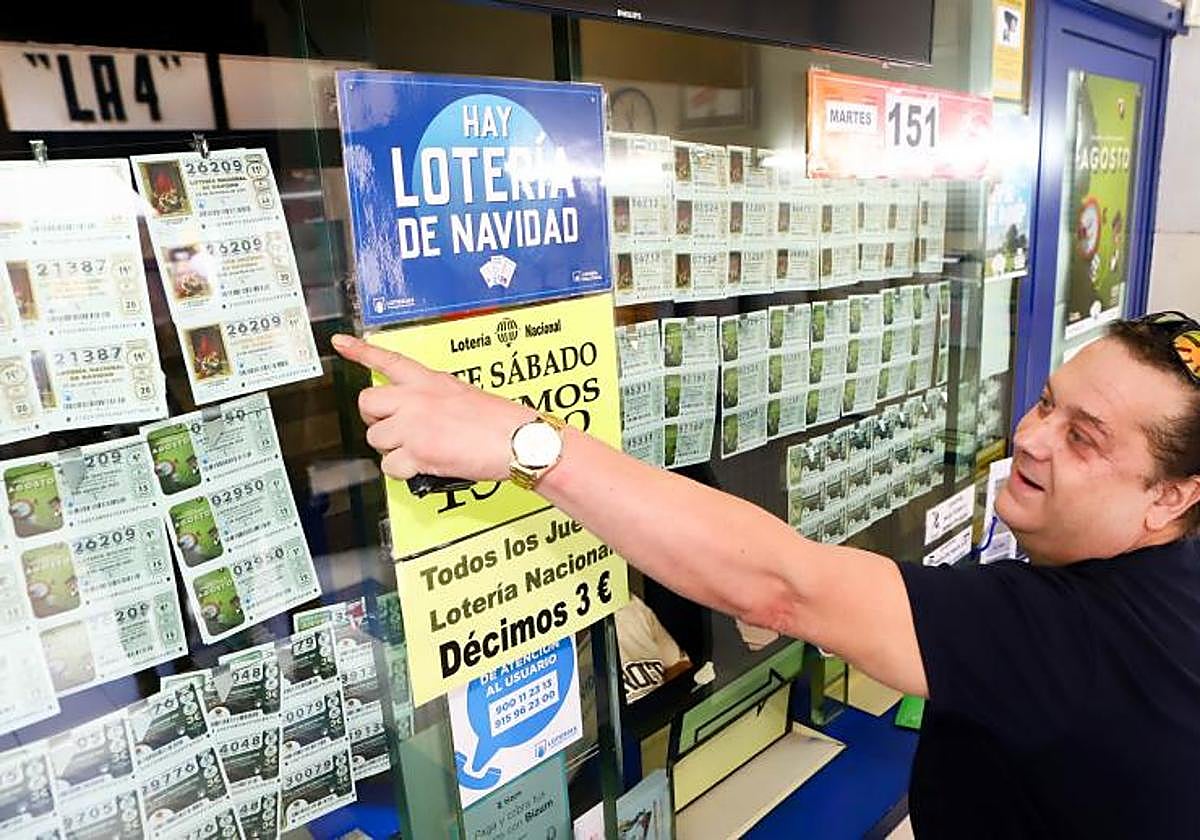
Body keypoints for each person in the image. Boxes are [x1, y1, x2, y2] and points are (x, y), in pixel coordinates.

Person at [332, 310, 1200, 838]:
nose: (1033, 436)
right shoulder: (1170, 583)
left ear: (1171, 497)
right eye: (1048, 401)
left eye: (1084, 439)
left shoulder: (1079, 639)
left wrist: (520, 443)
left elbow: (784, 585)